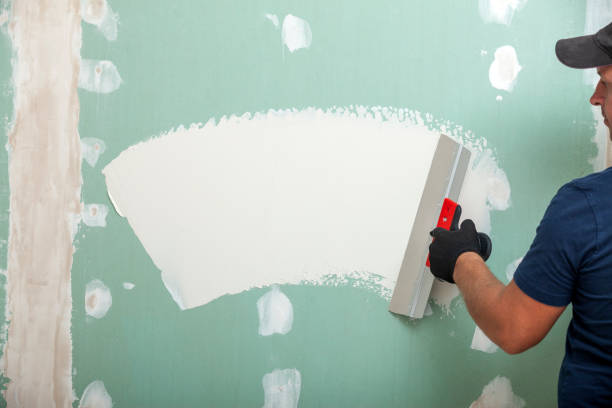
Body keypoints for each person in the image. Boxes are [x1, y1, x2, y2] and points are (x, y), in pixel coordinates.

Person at [428, 22, 612, 407]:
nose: (595, 98)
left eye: (606, 83)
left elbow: (514, 328)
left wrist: (461, 258)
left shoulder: (587, 207)